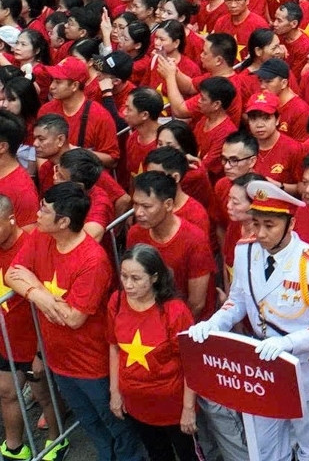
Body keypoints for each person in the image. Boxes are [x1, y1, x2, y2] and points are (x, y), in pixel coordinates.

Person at [184, 179, 309, 461]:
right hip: (261, 365)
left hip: (303, 367)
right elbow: (238, 300)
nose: (260, 233)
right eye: (256, 223)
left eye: (269, 226)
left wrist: (289, 343)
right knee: (266, 448)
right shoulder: (245, 250)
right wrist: (214, 324)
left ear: (290, 225)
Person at [6, 183, 139, 461]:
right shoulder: (41, 236)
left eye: (44, 209)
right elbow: (13, 274)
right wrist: (42, 297)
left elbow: (74, 318)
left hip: (93, 366)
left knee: (118, 428)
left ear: (63, 222)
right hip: (59, 361)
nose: (37, 213)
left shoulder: (92, 260)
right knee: (91, 424)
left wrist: (34, 290)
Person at [106, 244, 196, 461]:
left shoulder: (175, 312)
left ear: (154, 277)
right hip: (137, 405)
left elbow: (191, 363)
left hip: (173, 407)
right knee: (157, 454)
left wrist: (188, 408)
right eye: (124, 276)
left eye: (136, 278)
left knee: (188, 456)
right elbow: (114, 347)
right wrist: (115, 392)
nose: (128, 284)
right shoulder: (116, 302)